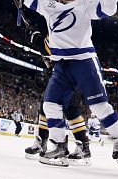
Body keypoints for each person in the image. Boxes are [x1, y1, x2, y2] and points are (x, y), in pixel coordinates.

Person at [19, 0, 118, 163]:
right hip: (61, 64)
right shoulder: (48, 4)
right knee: (50, 105)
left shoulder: (84, 3)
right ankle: (59, 146)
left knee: (98, 106)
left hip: (83, 61)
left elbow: (107, 8)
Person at [23, 33, 92, 166]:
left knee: (70, 108)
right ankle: (44, 142)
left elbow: (48, 47)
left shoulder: (64, 27)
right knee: (46, 103)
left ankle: (80, 147)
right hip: (71, 72)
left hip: (72, 73)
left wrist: (37, 38)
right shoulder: (68, 25)